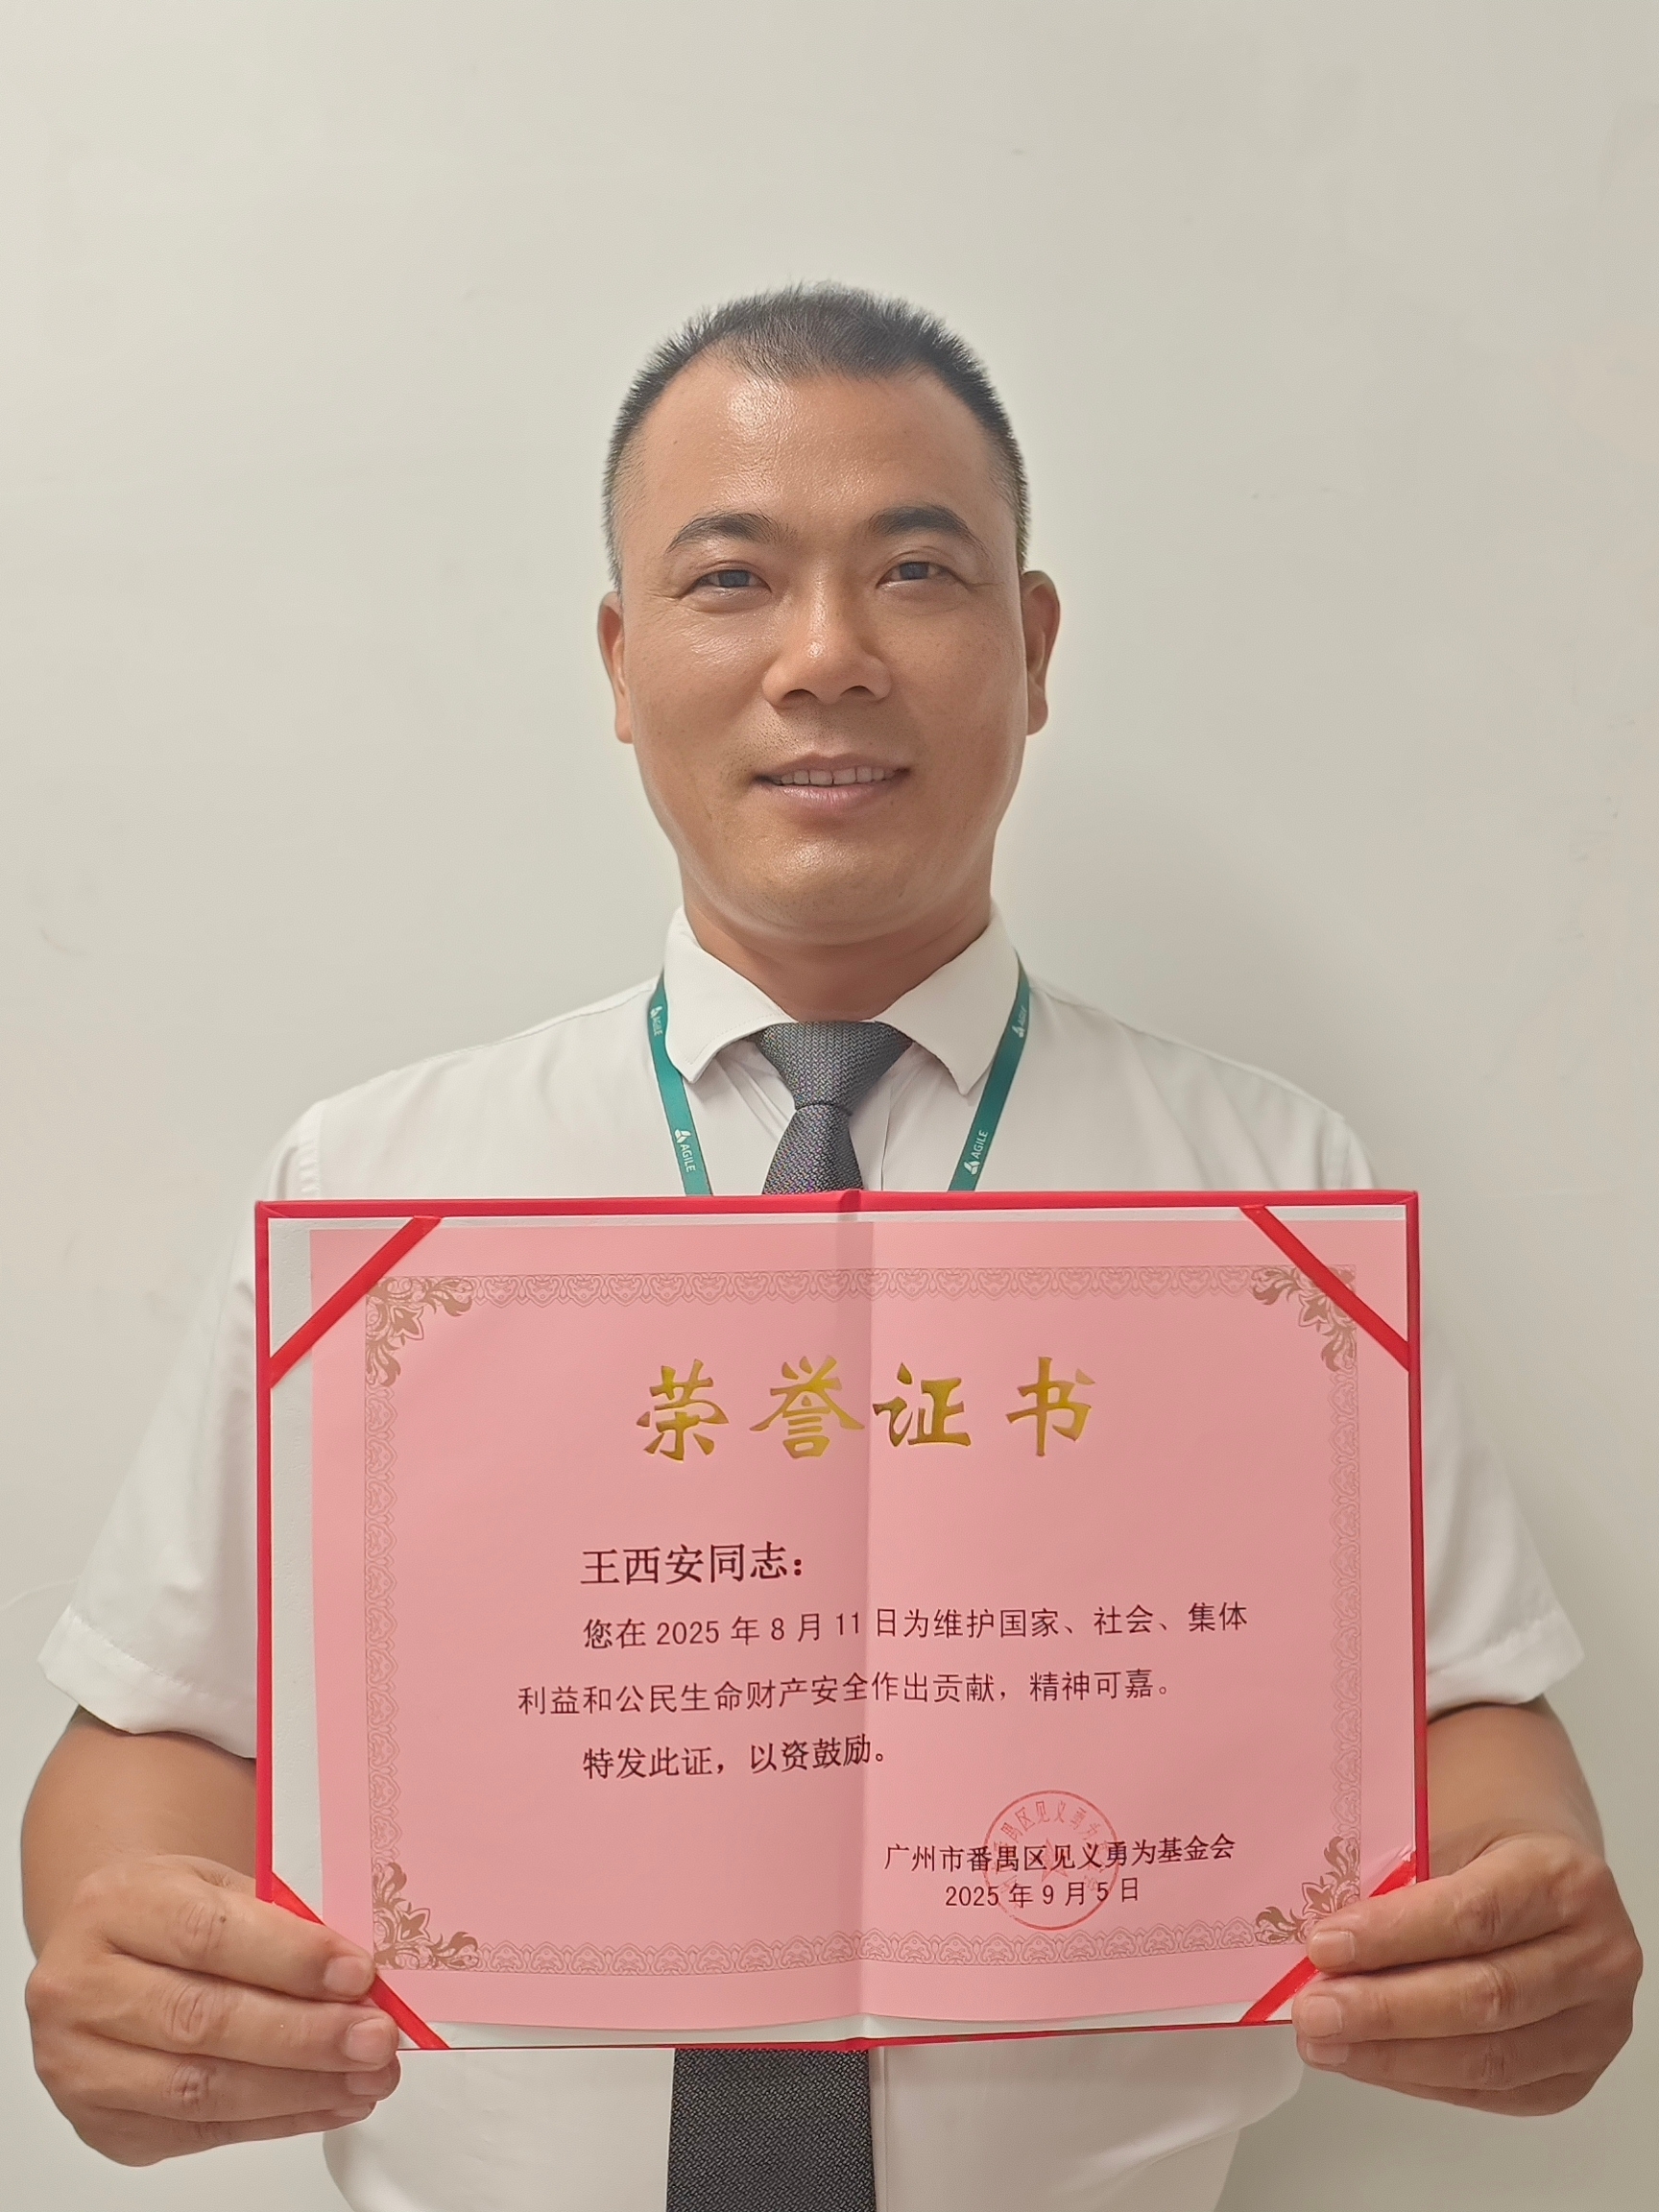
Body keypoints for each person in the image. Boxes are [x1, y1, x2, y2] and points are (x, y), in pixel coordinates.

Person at [23, 285, 1640, 2212]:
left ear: (1033, 647)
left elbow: (1464, 1717)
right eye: (732, 580)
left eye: (917, 573)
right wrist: (129, 1950)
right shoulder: (376, 1192)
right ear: (620, 662)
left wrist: (1521, 1930)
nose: (826, 657)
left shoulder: (1269, 1195)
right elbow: (161, 1728)